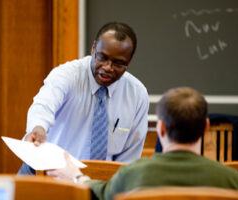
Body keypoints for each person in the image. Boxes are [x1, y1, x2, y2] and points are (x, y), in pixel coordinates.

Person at [46, 87, 238, 200]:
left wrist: (75, 175)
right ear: (206, 127)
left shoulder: (133, 176)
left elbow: (99, 193)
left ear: (161, 128)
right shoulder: (235, 183)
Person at [18, 22, 149, 174]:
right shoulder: (67, 75)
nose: (108, 67)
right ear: (93, 48)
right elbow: (44, 105)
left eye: (118, 63)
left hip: (100, 182)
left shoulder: (137, 95)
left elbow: (129, 160)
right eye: (102, 57)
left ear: (129, 62)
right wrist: (38, 127)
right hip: (47, 172)